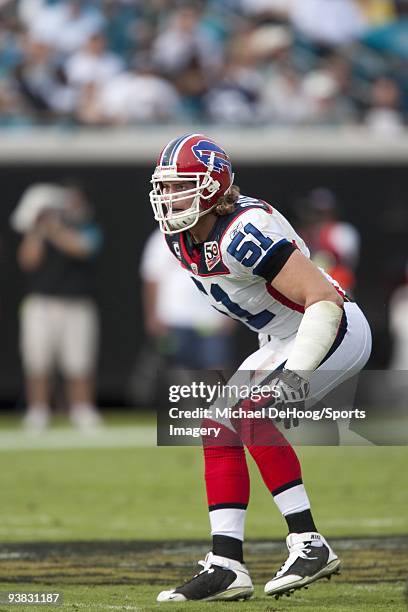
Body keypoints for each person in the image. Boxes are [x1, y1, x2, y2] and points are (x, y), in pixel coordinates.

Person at [148, 133, 372, 602]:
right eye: (164, 187)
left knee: (252, 415)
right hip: (279, 337)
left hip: (328, 326)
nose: (168, 197)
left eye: (180, 185)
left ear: (211, 187)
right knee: (218, 425)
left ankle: (309, 543)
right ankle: (227, 565)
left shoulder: (245, 232)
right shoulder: (181, 238)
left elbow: (324, 299)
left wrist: (298, 373)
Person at [14, 182, 103, 431]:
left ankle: (82, 409)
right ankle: (38, 410)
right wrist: (39, 228)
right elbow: (28, 261)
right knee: (37, 360)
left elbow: (81, 249)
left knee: (79, 361)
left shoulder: (87, 228)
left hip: (77, 304)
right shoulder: (39, 230)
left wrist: (55, 230)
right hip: (41, 304)